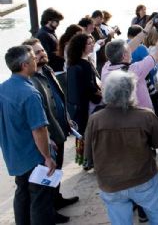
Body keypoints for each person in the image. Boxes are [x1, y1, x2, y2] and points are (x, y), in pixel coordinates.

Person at [84, 71, 158, 224]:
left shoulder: (95, 119)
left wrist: (91, 163)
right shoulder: (146, 116)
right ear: (131, 91)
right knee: (157, 213)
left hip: (110, 182)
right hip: (142, 176)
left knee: (120, 220)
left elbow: (88, 153)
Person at [0, 45, 57, 225]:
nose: (36, 61)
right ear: (25, 65)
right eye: (33, 58)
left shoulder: (3, 89)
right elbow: (38, 129)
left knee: (22, 194)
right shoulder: (30, 93)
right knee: (40, 200)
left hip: (14, 155)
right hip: (33, 156)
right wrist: (47, 156)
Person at [22, 39, 78, 217]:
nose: (42, 54)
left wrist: (67, 117)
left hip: (60, 126)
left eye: (42, 51)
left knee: (58, 168)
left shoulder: (47, 70)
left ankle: (57, 198)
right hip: (49, 133)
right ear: (29, 58)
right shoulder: (31, 79)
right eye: (37, 53)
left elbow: (58, 96)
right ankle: (51, 211)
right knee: (49, 173)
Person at [102, 18, 158, 111]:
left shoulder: (106, 67)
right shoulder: (134, 70)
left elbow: (129, 47)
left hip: (118, 115)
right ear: (124, 55)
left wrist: (145, 31)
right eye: (127, 49)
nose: (130, 48)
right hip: (141, 116)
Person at [66, 32, 102, 167]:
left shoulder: (72, 64)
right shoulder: (85, 64)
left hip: (76, 105)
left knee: (81, 134)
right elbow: (90, 87)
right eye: (89, 43)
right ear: (81, 46)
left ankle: (83, 160)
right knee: (90, 133)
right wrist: (100, 93)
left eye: (92, 42)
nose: (92, 45)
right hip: (87, 105)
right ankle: (89, 160)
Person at [36, 7, 65, 73]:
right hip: (54, 70)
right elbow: (47, 55)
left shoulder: (50, 32)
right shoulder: (43, 35)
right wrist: (63, 52)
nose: (58, 23)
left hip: (58, 69)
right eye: (57, 21)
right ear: (49, 20)